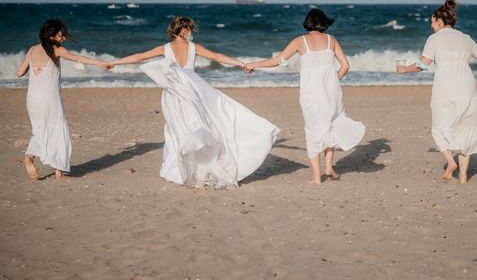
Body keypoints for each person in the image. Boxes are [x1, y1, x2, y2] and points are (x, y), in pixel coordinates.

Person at [108, 16, 279, 189]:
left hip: (172, 93)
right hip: (191, 89)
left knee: (178, 129)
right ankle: (198, 166)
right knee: (198, 124)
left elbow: (139, 57)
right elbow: (217, 56)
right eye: (189, 29)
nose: (191, 32)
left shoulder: (164, 48)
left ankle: (183, 168)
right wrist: (241, 63)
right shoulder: (193, 47)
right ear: (183, 30)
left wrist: (115, 62)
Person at [245, 8, 366, 185]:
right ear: (324, 22)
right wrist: (332, 81)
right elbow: (345, 65)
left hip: (311, 94)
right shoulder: (331, 40)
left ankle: (317, 178)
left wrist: (252, 64)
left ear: (307, 22)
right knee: (330, 124)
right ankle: (329, 168)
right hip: (332, 92)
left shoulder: (300, 41)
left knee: (313, 130)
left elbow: (276, 61)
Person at [396, 0, 477, 184]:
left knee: (439, 125)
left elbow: (423, 64)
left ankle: (450, 161)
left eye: (432, 22)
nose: (431, 26)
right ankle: (463, 177)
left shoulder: (434, 39)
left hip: (445, 83)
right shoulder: (465, 37)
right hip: (466, 82)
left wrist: (404, 70)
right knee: (466, 129)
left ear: (439, 21)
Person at [15, 19, 111, 180]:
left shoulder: (32, 49)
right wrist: (99, 62)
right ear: (52, 35)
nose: (63, 38)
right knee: (57, 128)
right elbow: (76, 58)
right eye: (61, 35)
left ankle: (31, 157)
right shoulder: (56, 49)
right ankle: (57, 167)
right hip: (49, 98)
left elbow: (19, 73)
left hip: (32, 98)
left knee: (39, 130)